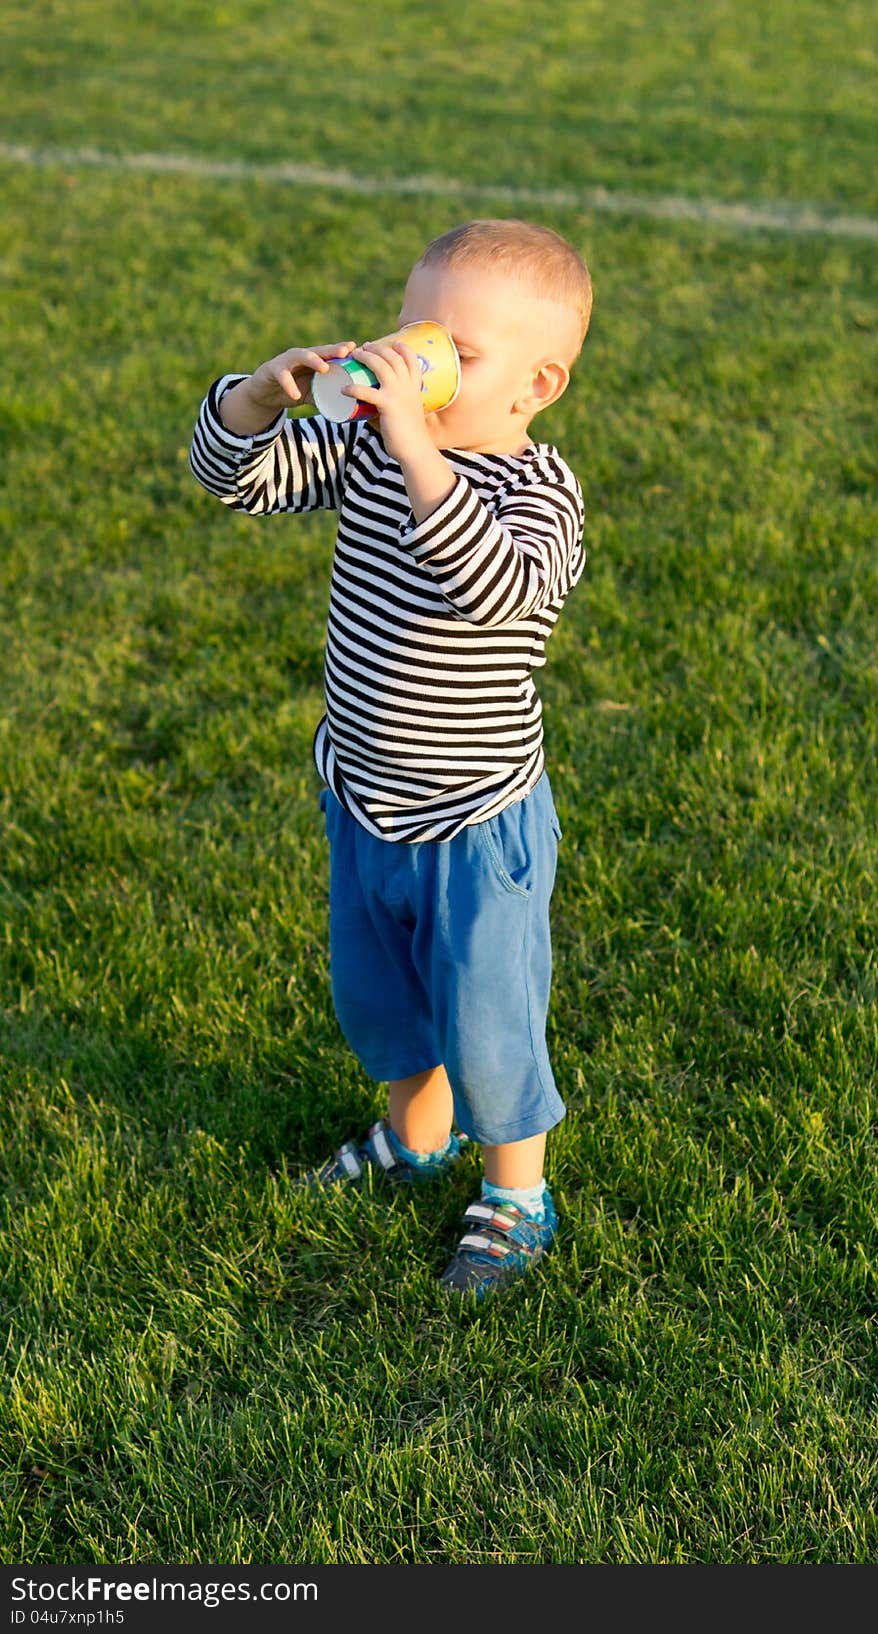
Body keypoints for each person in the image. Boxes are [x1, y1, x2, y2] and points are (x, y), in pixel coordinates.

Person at [190, 218, 592, 1299]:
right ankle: (415, 1133)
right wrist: (257, 399)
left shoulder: (537, 497)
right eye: (416, 324)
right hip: (364, 799)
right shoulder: (368, 446)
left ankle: (515, 1193)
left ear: (536, 383)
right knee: (376, 998)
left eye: (455, 348)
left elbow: (492, 592)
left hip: (476, 823)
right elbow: (237, 481)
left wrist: (414, 442)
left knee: (488, 1014)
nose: (417, 355)